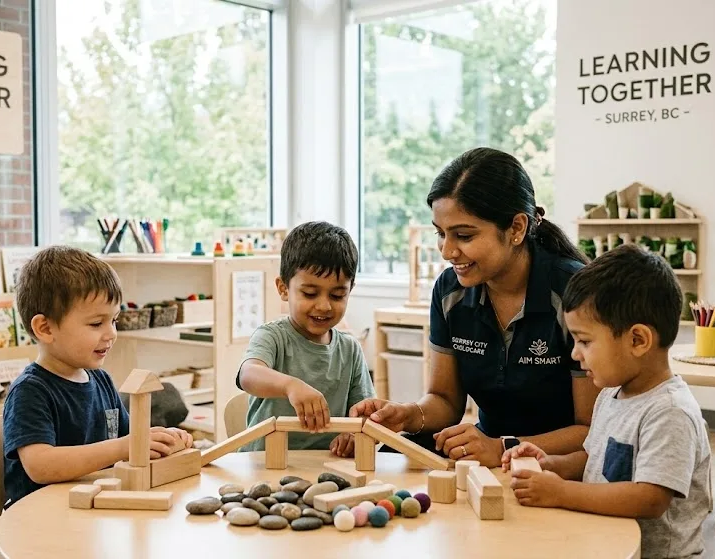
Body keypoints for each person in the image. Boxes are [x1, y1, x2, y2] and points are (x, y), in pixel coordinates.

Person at [348, 147, 599, 466]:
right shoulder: (449, 292)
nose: (447, 251)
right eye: (441, 234)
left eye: (463, 235)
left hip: (561, 469)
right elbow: (445, 401)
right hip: (488, 460)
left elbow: (592, 430)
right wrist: (408, 415)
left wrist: (504, 447)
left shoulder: (574, 293)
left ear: (517, 229)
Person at [504, 244, 712, 559]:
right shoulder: (611, 394)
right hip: (604, 543)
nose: (574, 354)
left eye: (585, 341)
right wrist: (549, 465)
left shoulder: (669, 412)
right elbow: (594, 460)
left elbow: (650, 498)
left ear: (638, 340)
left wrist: (561, 492)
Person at [2, 246, 192, 508]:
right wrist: (124, 446)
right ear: (45, 328)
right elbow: (40, 466)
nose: (111, 333)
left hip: (93, 509)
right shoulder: (30, 391)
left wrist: (160, 439)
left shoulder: (101, 380)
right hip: (41, 516)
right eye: (96, 324)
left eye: (113, 320)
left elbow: (130, 441)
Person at [236, 221, 375, 453]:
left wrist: (354, 435)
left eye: (337, 295)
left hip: (327, 467)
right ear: (283, 289)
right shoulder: (272, 336)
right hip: (266, 464)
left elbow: (364, 415)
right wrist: (290, 386)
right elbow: (248, 375)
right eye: (309, 293)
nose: (324, 306)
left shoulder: (350, 349)